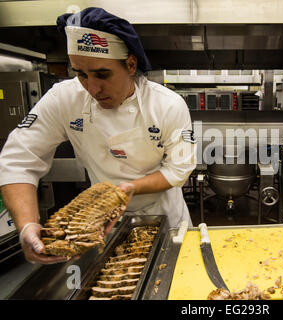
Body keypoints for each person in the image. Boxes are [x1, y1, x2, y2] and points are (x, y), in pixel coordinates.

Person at [0, 7, 196, 264]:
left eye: (103, 74)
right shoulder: (64, 99)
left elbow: (180, 168)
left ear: (130, 64)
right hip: (100, 223)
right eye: (80, 74)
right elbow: (18, 159)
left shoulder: (167, 105)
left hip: (167, 217)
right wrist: (26, 226)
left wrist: (127, 189)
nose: (92, 87)